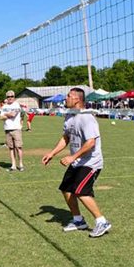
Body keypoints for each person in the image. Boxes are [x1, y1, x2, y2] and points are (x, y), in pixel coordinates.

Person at [42, 87, 112, 238]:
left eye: (68, 96)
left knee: (81, 191)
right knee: (66, 190)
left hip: (91, 162)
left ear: (77, 99)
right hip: (77, 162)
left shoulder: (86, 117)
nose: (65, 98)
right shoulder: (69, 115)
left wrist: (72, 157)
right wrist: (52, 153)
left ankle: (102, 221)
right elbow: (66, 137)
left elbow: (91, 143)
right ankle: (78, 220)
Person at [0, 90, 25, 172]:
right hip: (7, 129)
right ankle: (13, 165)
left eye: (12, 96)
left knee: (18, 147)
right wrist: (8, 114)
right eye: (8, 96)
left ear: (14, 97)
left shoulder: (17, 105)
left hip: (16, 129)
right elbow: (1, 117)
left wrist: (6, 114)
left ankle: (20, 164)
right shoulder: (4, 106)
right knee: (11, 148)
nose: (10, 98)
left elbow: (13, 115)